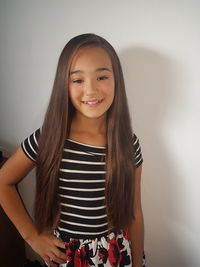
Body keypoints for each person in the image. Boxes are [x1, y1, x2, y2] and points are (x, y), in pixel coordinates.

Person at [0, 33, 146, 267]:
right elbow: (3, 181)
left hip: (118, 252)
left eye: (101, 76)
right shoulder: (49, 138)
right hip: (70, 256)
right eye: (78, 80)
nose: (91, 90)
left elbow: (134, 213)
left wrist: (137, 262)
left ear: (116, 79)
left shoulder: (129, 143)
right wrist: (32, 237)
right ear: (63, 84)